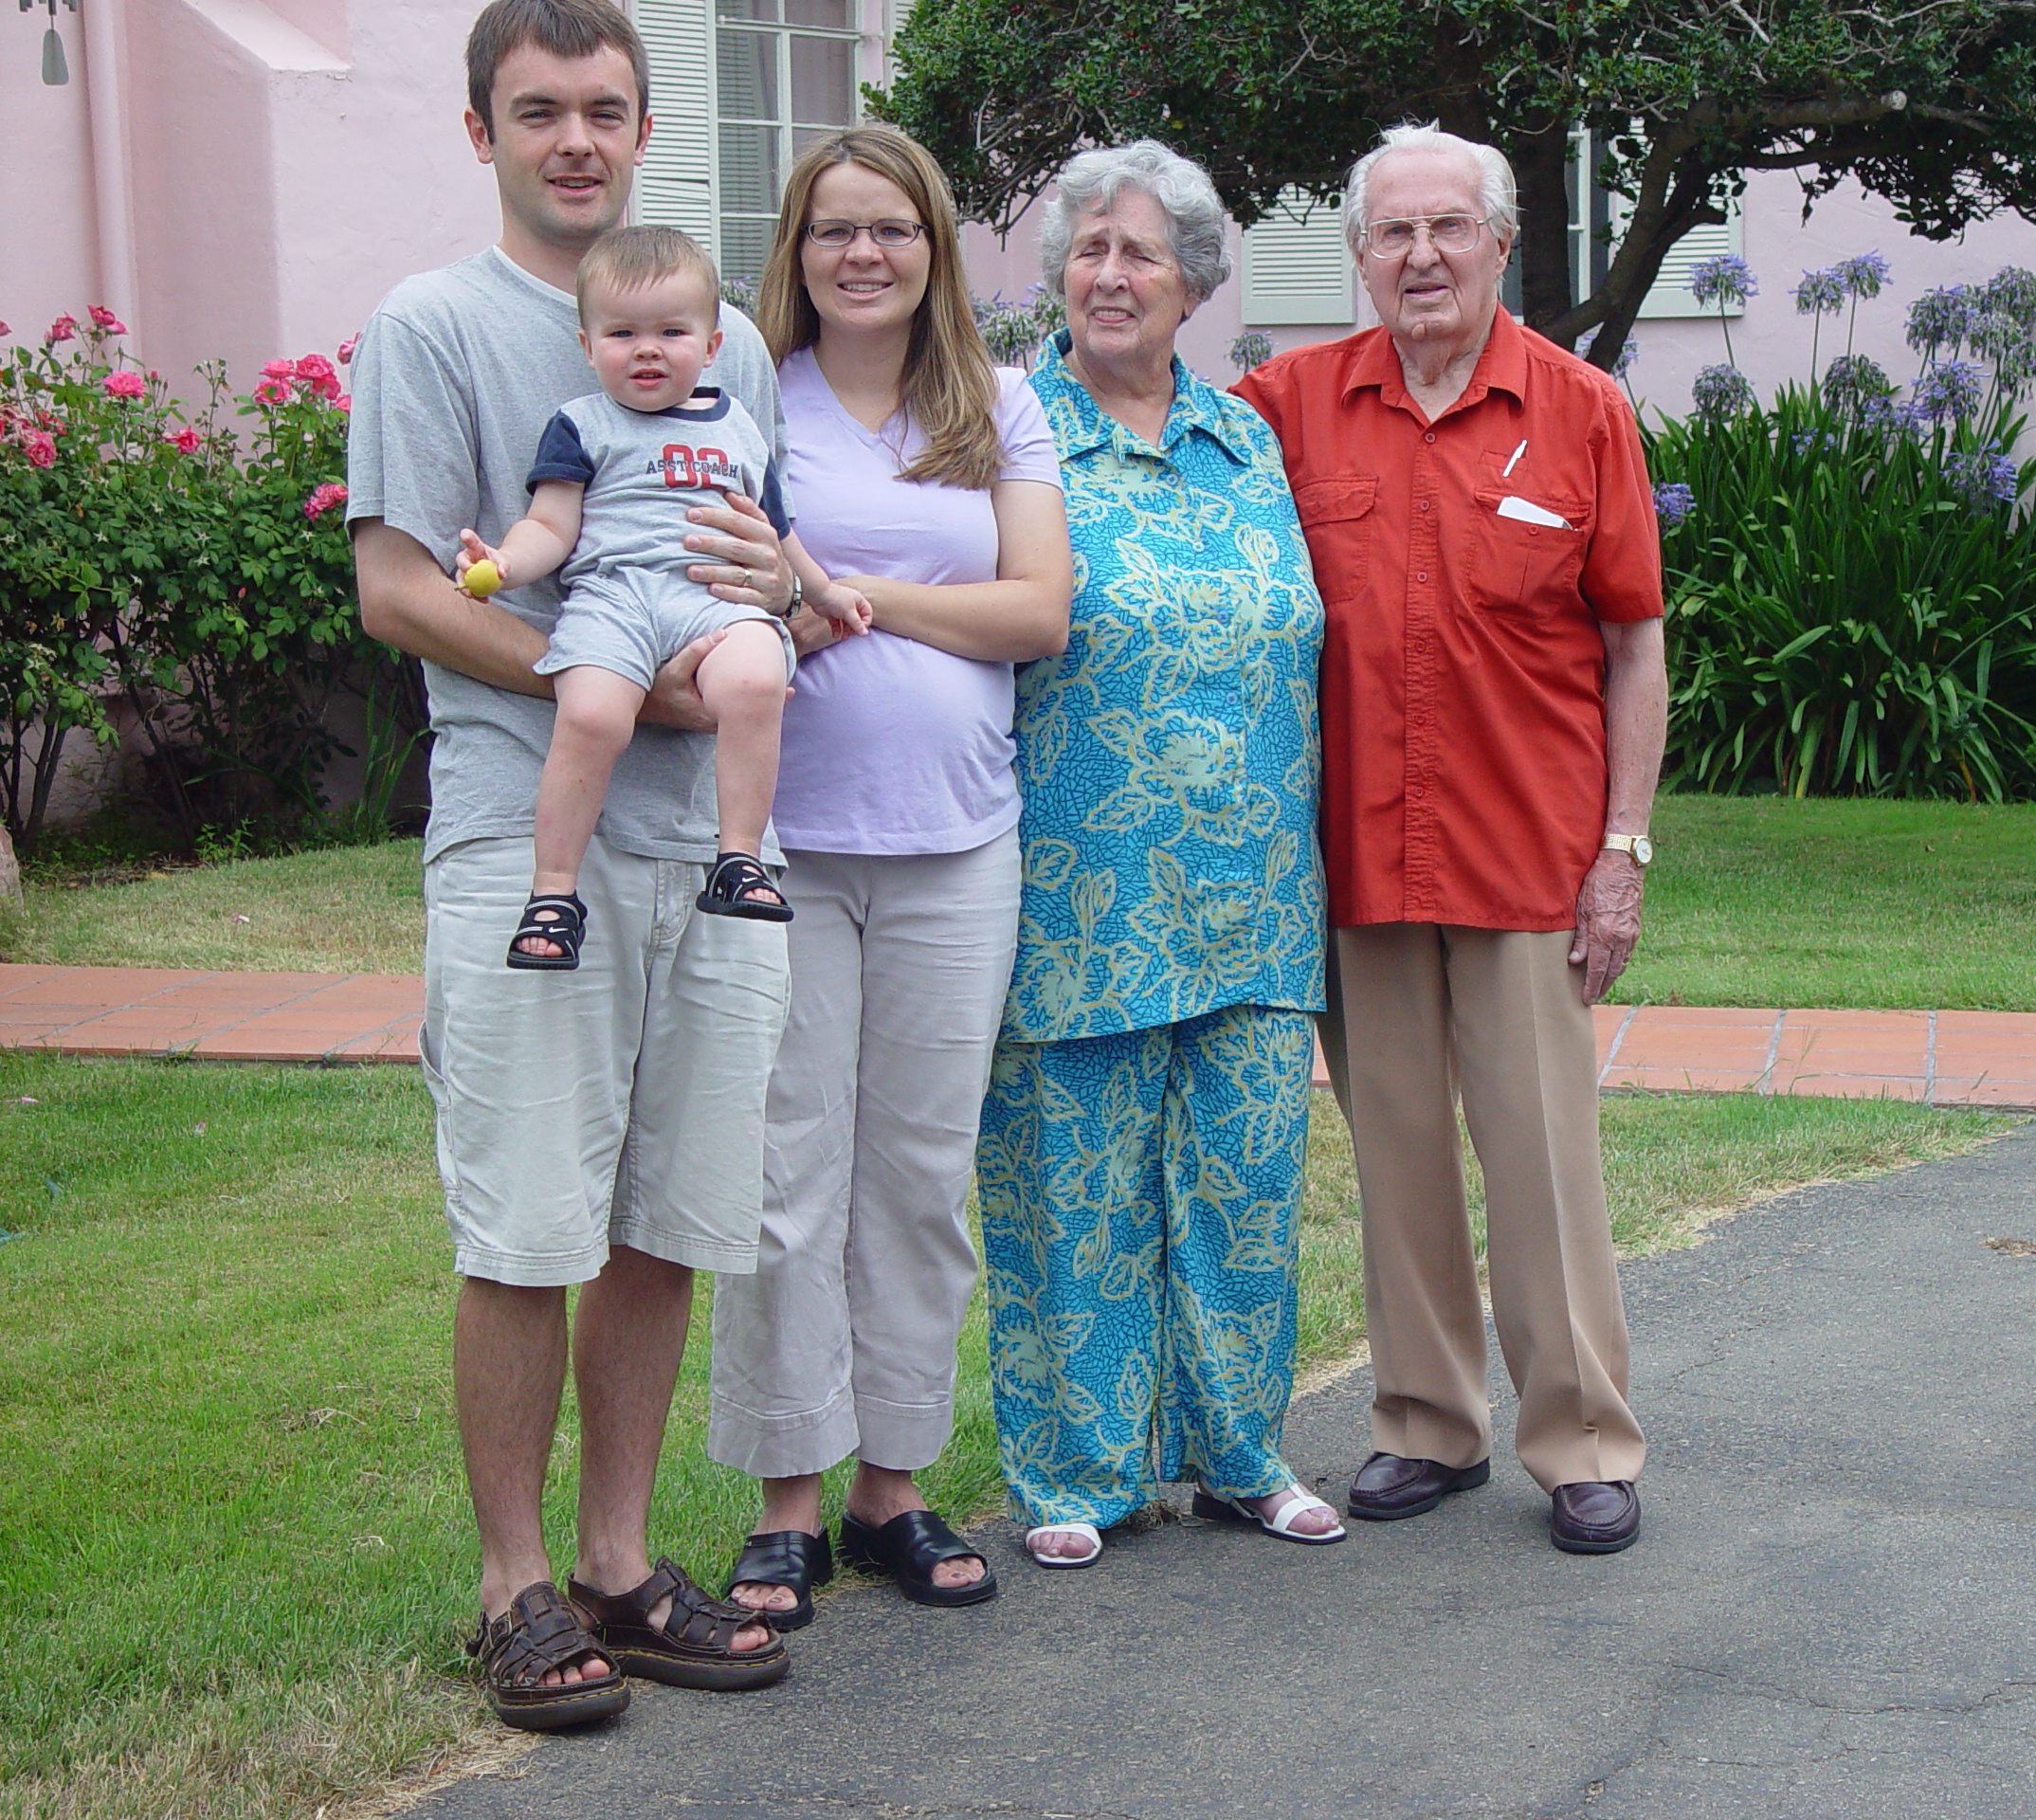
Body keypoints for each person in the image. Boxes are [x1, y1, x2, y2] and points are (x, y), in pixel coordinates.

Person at [348, 0, 795, 1729]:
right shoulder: (434, 328)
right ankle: (513, 1588)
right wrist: (620, 687)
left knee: (668, 1214)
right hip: (525, 828)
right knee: (531, 1217)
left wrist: (752, 620)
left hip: (706, 852)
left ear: (641, 124)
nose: (576, 142)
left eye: (605, 109)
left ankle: (618, 1559)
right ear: (483, 132)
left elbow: (756, 560)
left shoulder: (721, 341)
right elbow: (398, 587)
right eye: (539, 113)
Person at [1235, 123, 1669, 1556]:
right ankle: (1426, 1420)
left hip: (1525, 859)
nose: (1420, 256)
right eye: (1391, 234)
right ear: (1358, 256)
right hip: (1356, 857)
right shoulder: (1285, 406)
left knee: (1543, 1163)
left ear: (1497, 242)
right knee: (1401, 1151)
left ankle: (1585, 1437)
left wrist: (1624, 851)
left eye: (1447, 229)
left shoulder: (1582, 407)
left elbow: (1634, 649)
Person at [708, 124, 1072, 1620]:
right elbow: (728, 576)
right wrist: (908, 598)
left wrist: (856, 597)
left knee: (919, 1181)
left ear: (936, 248)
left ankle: (894, 1491)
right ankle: (789, 1498)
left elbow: (1040, 610)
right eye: (834, 230)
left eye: (894, 229)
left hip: (957, 847)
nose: (865, 254)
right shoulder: (749, 402)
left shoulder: (997, 404)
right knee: (792, 1174)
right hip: (787, 843)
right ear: (796, 251)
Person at [975, 140, 1337, 1571]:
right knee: (1072, 1188)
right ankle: (1078, 1472)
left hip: (1255, 892)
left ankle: (1243, 1453)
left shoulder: (1249, 441)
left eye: (1140, 255)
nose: (1110, 276)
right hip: (1081, 892)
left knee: (1245, 1185)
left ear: (1195, 283)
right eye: (1087, 251)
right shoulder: (1009, 433)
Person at [453, 224, 872, 970]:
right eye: (622, 333)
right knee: (590, 714)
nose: (647, 349)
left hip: (714, 599)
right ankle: (553, 891)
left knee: (756, 679)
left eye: (671, 331)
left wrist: (825, 589)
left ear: (713, 345)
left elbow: (778, 532)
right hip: (614, 599)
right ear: (588, 346)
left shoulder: (738, 427)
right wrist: (504, 566)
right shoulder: (582, 424)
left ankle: (737, 858)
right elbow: (551, 524)